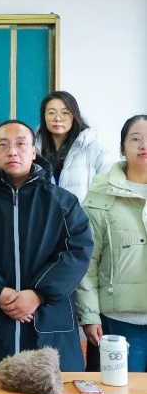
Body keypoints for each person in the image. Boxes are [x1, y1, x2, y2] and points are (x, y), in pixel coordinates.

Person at [0, 120, 93, 372]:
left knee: (52, 390)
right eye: (3, 145)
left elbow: (78, 251)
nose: (12, 151)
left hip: (48, 323)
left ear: (33, 152)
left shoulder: (63, 203)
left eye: (21, 144)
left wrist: (38, 294)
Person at [77, 115, 147, 372]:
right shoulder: (100, 194)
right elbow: (87, 261)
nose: (143, 145)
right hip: (119, 320)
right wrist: (89, 314)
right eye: (136, 139)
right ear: (122, 147)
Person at [35, 91, 115, 202]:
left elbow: (109, 190)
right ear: (44, 116)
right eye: (51, 113)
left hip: (81, 213)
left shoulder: (97, 150)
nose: (58, 118)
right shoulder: (33, 150)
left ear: (74, 115)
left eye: (65, 113)